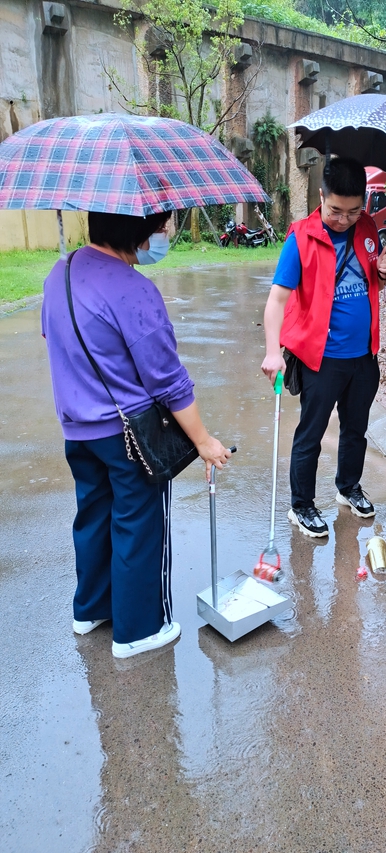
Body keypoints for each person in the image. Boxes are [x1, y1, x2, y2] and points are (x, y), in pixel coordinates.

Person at [41, 211, 231, 659]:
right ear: (139, 233)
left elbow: (53, 337)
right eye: (160, 228)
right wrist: (203, 440)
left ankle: (90, 610)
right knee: (138, 523)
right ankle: (139, 630)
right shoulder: (134, 289)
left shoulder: (60, 272)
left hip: (77, 429)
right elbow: (169, 380)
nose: (162, 236)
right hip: (128, 435)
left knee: (92, 515)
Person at [261, 157, 386, 537]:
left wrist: (384, 273)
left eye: (354, 211)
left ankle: (348, 488)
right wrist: (274, 351)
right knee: (311, 433)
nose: (344, 219)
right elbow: (276, 300)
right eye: (336, 210)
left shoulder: (367, 229)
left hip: (363, 356)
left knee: (356, 429)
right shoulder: (301, 237)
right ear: (321, 196)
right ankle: (301, 505)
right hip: (321, 359)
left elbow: (370, 286)